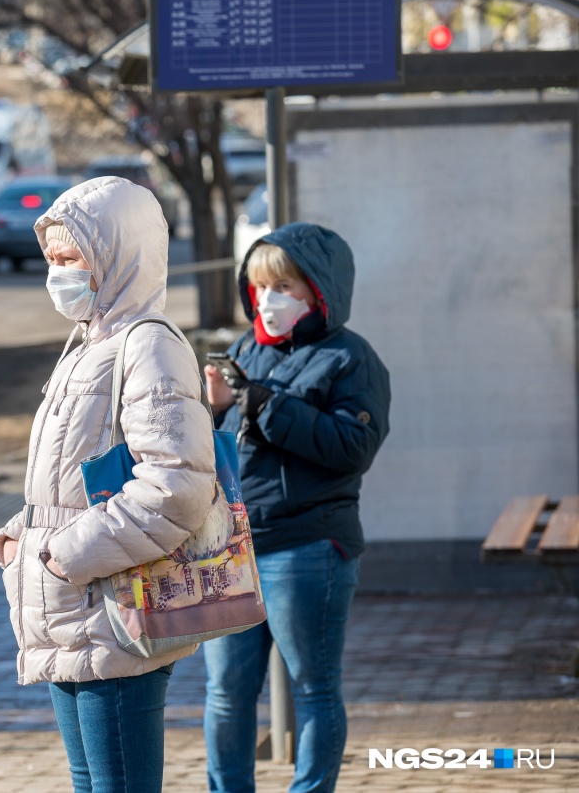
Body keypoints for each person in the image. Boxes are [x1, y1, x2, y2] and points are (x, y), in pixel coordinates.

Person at [0, 177, 217, 793]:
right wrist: (22, 538)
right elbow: (69, 481)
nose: (56, 275)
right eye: (52, 261)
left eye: (71, 260)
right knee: (90, 782)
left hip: (112, 610)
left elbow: (175, 486)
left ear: (118, 255)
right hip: (69, 610)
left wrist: (63, 556)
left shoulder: (149, 347)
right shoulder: (88, 346)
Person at [202, 223, 391, 793]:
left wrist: (265, 406)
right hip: (233, 550)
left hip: (308, 547)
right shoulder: (243, 350)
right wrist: (211, 412)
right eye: (259, 287)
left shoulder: (349, 359)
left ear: (319, 290)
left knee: (313, 687)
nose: (268, 300)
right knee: (226, 693)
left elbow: (353, 448)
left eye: (283, 286)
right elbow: (221, 452)